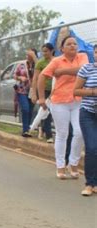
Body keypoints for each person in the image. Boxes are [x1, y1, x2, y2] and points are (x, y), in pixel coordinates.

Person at [38, 36, 89, 179]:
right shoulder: (56, 61)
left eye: (74, 44)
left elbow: (82, 70)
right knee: (62, 134)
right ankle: (60, 166)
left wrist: (62, 72)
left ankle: (73, 164)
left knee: (79, 133)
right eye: (69, 44)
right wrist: (41, 97)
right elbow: (42, 76)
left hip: (78, 100)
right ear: (62, 49)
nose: (73, 46)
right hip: (60, 101)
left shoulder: (83, 56)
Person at [74, 44, 97, 196]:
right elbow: (76, 90)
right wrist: (93, 92)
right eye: (96, 51)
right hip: (88, 113)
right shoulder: (86, 69)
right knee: (92, 147)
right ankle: (89, 184)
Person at [30, 43, 55, 143]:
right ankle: (49, 135)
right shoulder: (40, 63)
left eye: (46, 51)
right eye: (43, 51)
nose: (44, 53)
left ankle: (40, 130)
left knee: (50, 112)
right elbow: (35, 78)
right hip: (43, 90)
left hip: (54, 90)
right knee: (46, 111)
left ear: (52, 51)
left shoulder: (56, 61)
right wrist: (34, 93)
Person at [14, 48, 37, 137]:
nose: (28, 56)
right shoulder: (22, 65)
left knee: (30, 110)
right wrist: (20, 78)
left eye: (30, 54)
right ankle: (25, 129)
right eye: (27, 54)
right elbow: (15, 75)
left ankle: (28, 129)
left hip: (33, 91)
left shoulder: (37, 65)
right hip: (22, 90)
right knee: (25, 108)